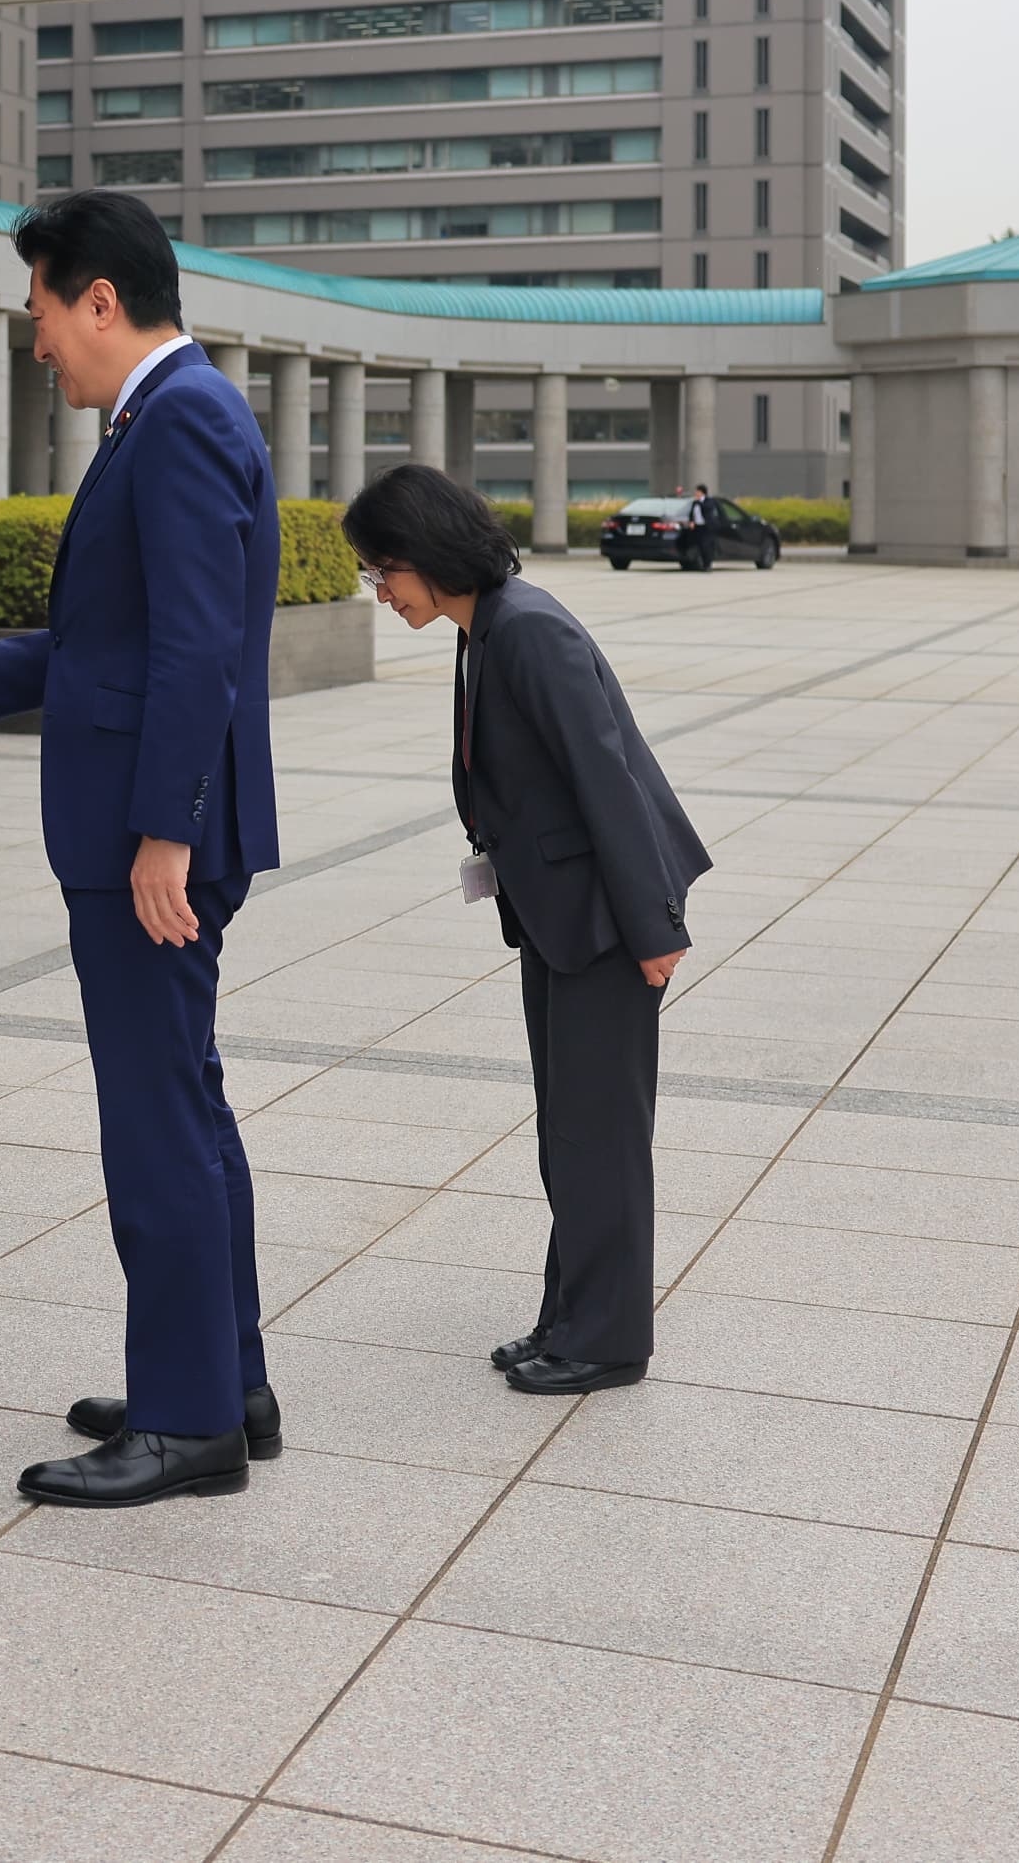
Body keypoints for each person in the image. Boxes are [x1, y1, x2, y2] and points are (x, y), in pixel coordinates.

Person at [0, 190, 286, 1510]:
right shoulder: (165, 417)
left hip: (147, 843)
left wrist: (164, 828)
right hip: (146, 828)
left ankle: (185, 1421)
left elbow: (194, 648)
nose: (37, 339)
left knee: (155, 1121)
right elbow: (113, 643)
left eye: (42, 310)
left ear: (99, 299)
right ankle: (222, 1379)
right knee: (185, 1104)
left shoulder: (179, 420)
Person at [343, 464, 708, 1396]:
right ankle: (569, 1317)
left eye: (383, 570)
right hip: (557, 916)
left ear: (427, 553)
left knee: (600, 1134)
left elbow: (607, 780)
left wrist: (654, 927)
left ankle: (609, 1340)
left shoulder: (528, 630)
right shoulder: (487, 627)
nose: (380, 592)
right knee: (570, 1130)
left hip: (606, 921)